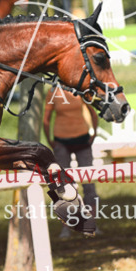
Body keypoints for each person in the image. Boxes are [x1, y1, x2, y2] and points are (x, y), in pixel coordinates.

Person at [43, 88, 100, 238]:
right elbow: (46, 118)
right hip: (61, 141)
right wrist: (50, 140)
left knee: (89, 183)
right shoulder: (53, 92)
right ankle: (67, 228)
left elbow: (93, 113)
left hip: (82, 139)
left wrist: (94, 134)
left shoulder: (81, 90)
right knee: (64, 187)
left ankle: (91, 225)